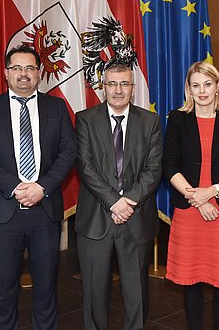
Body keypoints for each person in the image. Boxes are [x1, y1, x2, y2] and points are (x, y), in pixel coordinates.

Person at [0, 44, 77, 330]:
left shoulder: (55, 107)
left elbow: (69, 151)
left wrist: (42, 187)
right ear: (6, 73)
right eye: (16, 68)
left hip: (45, 211)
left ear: (39, 73)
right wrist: (16, 186)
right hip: (6, 213)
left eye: (30, 68)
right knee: (4, 291)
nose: (23, 74)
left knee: (46, 290)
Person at [74, 61, 163, 330]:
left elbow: (154, 168)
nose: (118, 90)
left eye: (124, 83)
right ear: (103, 87)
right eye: (112, 83)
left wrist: (128, 202)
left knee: (137, 293)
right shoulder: (85, 119)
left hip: (136, 218)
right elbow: (85, 166)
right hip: (96, 220)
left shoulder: (150, 122)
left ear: (133, 88)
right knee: (94, 293)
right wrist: (114, 201)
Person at [162, 62, 219, 330]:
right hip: (189, 214)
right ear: (188, 89)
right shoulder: (177, 119)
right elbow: (169, 166)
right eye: (196, 85)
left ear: (217, 87)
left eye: (208, 84)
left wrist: (211, 193)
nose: (202, 91)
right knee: (191, 283)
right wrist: (197, 200)